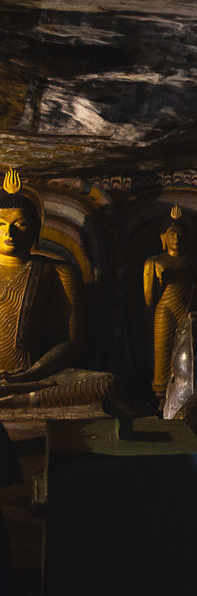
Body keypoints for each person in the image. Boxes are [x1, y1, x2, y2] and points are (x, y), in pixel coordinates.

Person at [0, 169, 112, 414]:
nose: (9, 233)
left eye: (20, 224)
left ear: (36, 229)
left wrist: (33, 372)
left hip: (35, 380)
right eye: (1, 224)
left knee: (103, 385)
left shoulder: (57, 271)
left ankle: (16, 397)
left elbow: (74, 342)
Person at [143, 206, 197, 403]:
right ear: (164, 238)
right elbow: (149, 300)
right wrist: (159, 280)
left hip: (187, 309)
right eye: (172, 235)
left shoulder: (196, 261)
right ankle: (161, 394)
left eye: (181, 235)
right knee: (163, 351)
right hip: (164, 310)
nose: (177, 240)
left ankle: (183, 392)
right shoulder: (154, 262)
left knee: (185, 352)